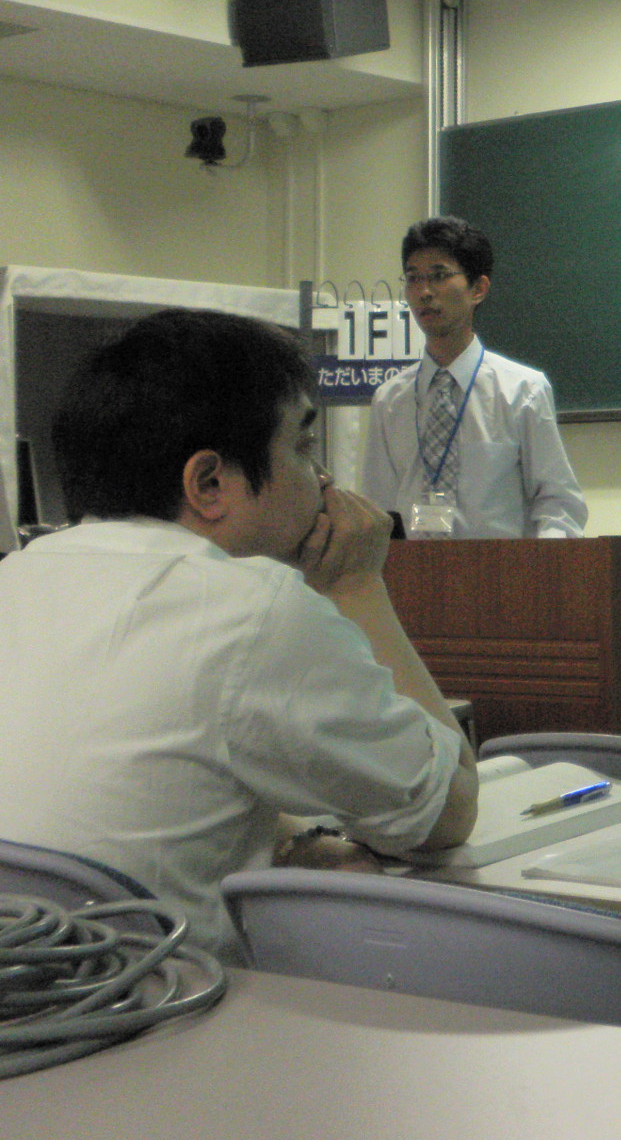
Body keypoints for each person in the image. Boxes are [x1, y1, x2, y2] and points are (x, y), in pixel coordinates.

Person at [0, 309, 477, 958]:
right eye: (303, 448)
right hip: (146, 1004)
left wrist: (291, 838)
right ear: (209, 484)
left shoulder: (19, 578)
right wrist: (356, 586)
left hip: (33, 997)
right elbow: (447, 812)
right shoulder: (251, 608)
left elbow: (142, 783)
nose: (325, 481)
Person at [362, 216, 587, 539]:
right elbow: (379, 509)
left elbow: (558, 504)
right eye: (413, 278)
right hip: (413, 568)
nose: (424, 292)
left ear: (478, 289)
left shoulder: (522, 390)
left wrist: (544, 565)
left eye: (439, 276)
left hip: (501, 568)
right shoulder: (390, 399)